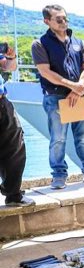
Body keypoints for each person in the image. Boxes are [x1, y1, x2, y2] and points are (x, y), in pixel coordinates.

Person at [31, 4, 84, 190]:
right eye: (58, 19)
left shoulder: (79, 42)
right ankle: (59, 175)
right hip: (56, 98)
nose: (63, 22)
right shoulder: (40, 44)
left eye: (65, 18)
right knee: (58, 139)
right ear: (47, 21)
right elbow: (45, 72)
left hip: (81, 96)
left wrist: (77, 89)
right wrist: (73, 86)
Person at [0, 41, 32, 206]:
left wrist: (11, 56)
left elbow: (9, 67)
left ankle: (13, 194)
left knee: (15, 147)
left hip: (2, 101)